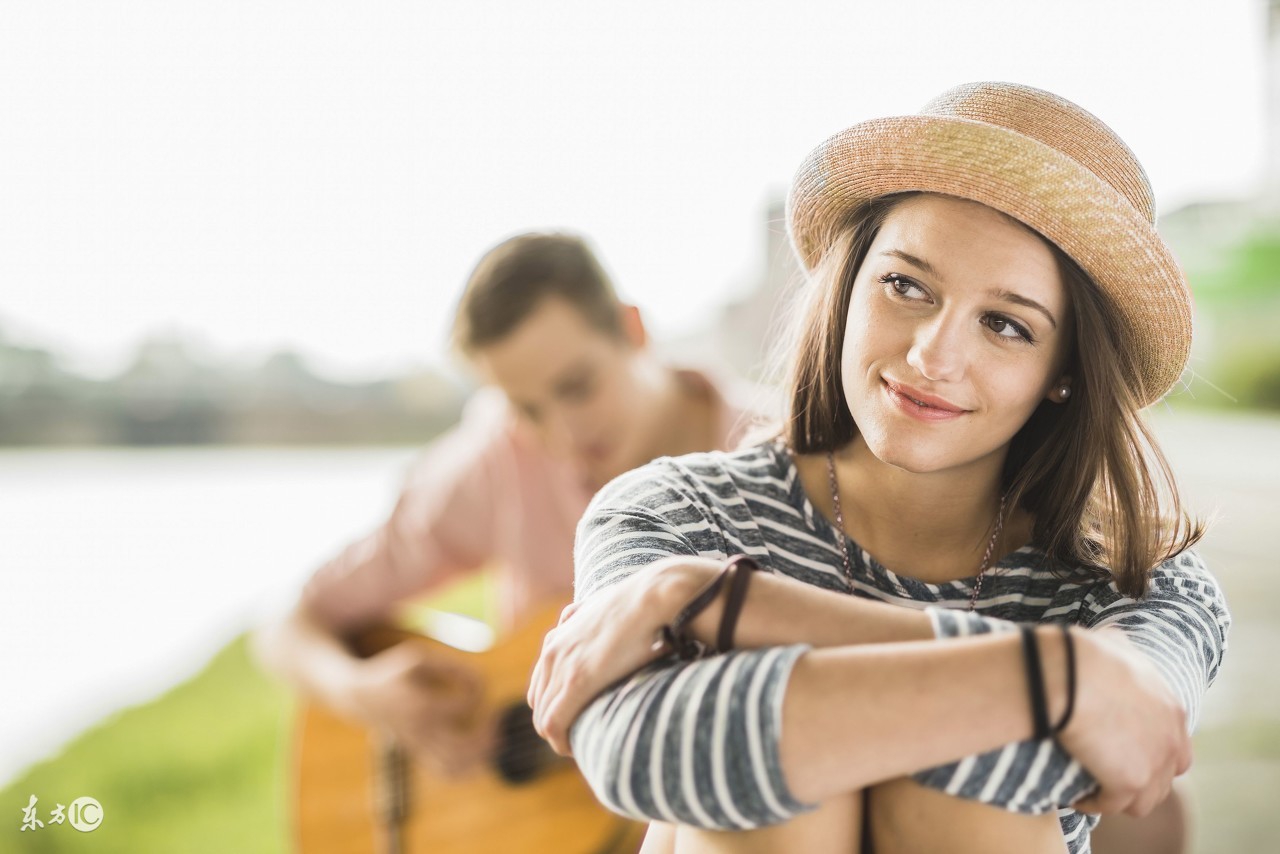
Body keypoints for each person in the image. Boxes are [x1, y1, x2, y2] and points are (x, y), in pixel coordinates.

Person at [527, 82, 1231, 854]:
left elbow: (1126, 731)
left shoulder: (1145, 578)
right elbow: (650, 756)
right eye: (905, 285)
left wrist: (715, 601)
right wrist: (1058, 676)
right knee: (773, 794)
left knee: (943, 769)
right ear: (849, 284)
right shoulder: (674, 511)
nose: (932, 356)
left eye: (1005, 325)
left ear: (1065, 370)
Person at [255, 231, 753, 775]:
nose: (562, 436)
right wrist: (361, 693)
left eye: (577, 387)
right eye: (526, 409)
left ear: (632, 329)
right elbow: (289, 623)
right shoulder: (499, 461)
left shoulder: (785, 460)